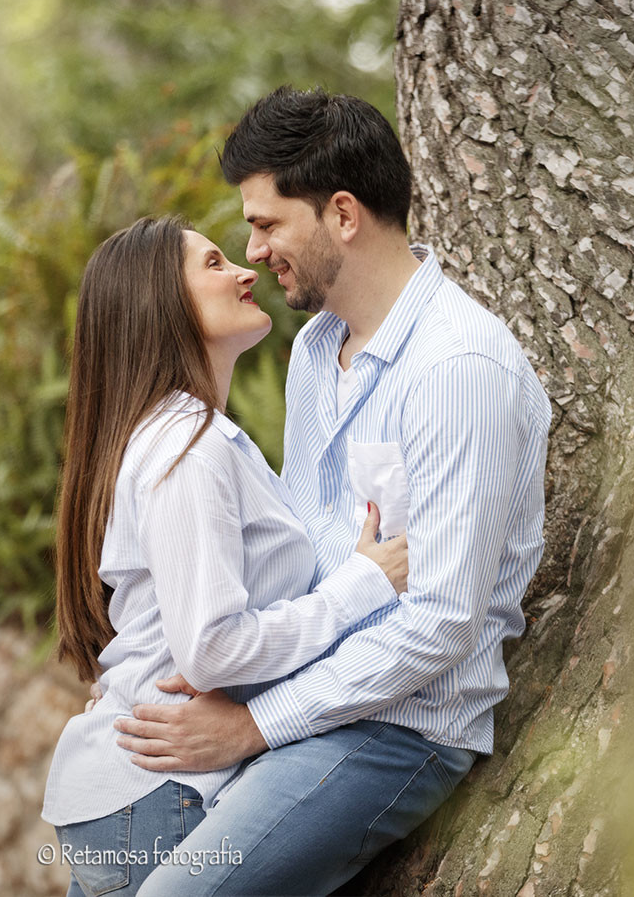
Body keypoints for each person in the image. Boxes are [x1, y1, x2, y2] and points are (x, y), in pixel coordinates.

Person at [115, 87, 553, 895]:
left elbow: (443, 621)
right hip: (299, 693)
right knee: (109, 864)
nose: (253, 251)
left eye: (267, 223)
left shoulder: (458, 368)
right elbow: (308, 549)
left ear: (342, 214)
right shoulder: (315, 352)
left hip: (397, 724)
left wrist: (251, 725)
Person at [41, 215, 412, 897]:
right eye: (213, 264)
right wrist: (364, 585)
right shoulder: (189, 450)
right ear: (160, 303)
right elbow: (211, 645)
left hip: (134, 788)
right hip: (156, 790)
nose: (246, 270)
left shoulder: (184, 437)